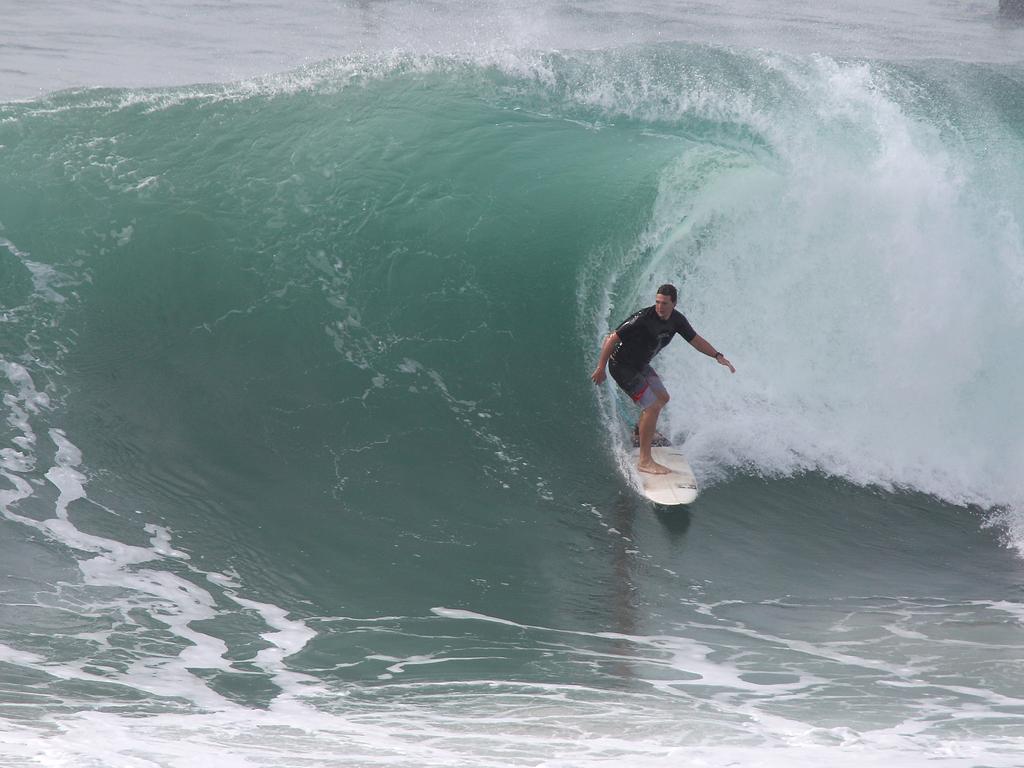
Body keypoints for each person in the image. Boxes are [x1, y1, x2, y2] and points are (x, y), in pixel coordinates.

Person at [591, 283, 735, 475]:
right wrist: (601, 367)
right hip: (622, 366)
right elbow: (613, 338)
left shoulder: (677, 320)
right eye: (657, 302)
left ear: (674, 303)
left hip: (641, 366)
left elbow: (696, 340)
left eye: (664, 303)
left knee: (662, 398)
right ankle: (644, 461)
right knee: (651, 406)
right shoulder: (642, 318)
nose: (660, 306)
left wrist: (717, 356)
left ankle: (638, 431)